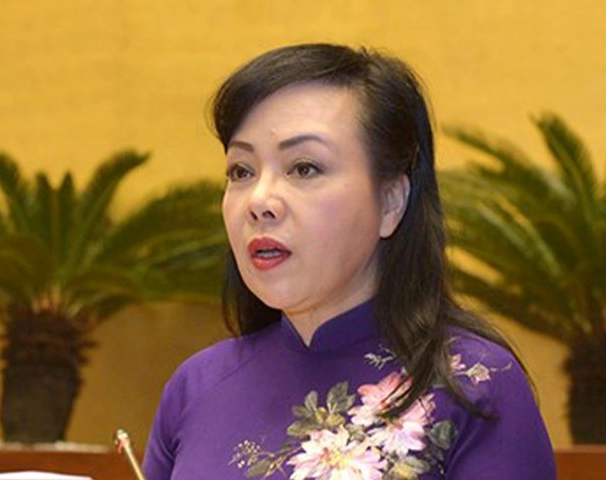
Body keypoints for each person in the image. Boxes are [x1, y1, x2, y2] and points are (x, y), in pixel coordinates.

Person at [143, 43, 556, 479]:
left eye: (304, 168)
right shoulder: (197, 387)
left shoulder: (475, 384)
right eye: (241, 171)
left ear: (391, 201)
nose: (259, 201)